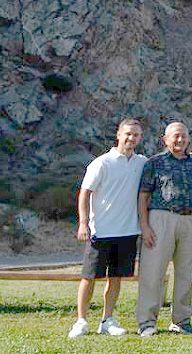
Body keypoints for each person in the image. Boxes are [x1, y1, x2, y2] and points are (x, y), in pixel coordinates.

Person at [68, 118, 147, 339]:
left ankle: (107, 320)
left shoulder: (142, 163)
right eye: (128, 134)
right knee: (89, 277)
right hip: (100, 231)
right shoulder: (101, 163)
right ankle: (81, 321)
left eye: (136, 135)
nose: (131, 138)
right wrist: (83, 223)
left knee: (116, 277)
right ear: (119, 135)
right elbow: (84, 193)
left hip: (128, 232)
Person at [136, 121, 192, 336]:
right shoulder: (154, 163)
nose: (180, 140)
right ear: (166, 139)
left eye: (183, 136)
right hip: (161, 218)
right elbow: (143, 195)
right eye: (175, 136)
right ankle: (147, 323)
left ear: (188, 138)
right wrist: (145, 225)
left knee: (186, 274)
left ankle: (181, 321)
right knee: (153, 273)